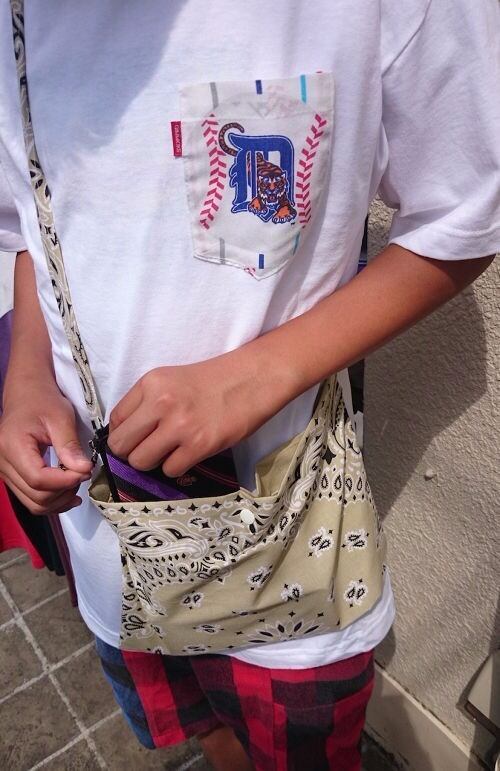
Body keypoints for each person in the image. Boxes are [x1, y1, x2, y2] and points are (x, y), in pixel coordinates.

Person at [0, 1, 498, 769]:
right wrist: (28, 373)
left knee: (299, 746)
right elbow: (30, 226)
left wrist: (260, 374)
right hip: (111, 540)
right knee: (202, 721)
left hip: (287, 544)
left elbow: (463, 217)